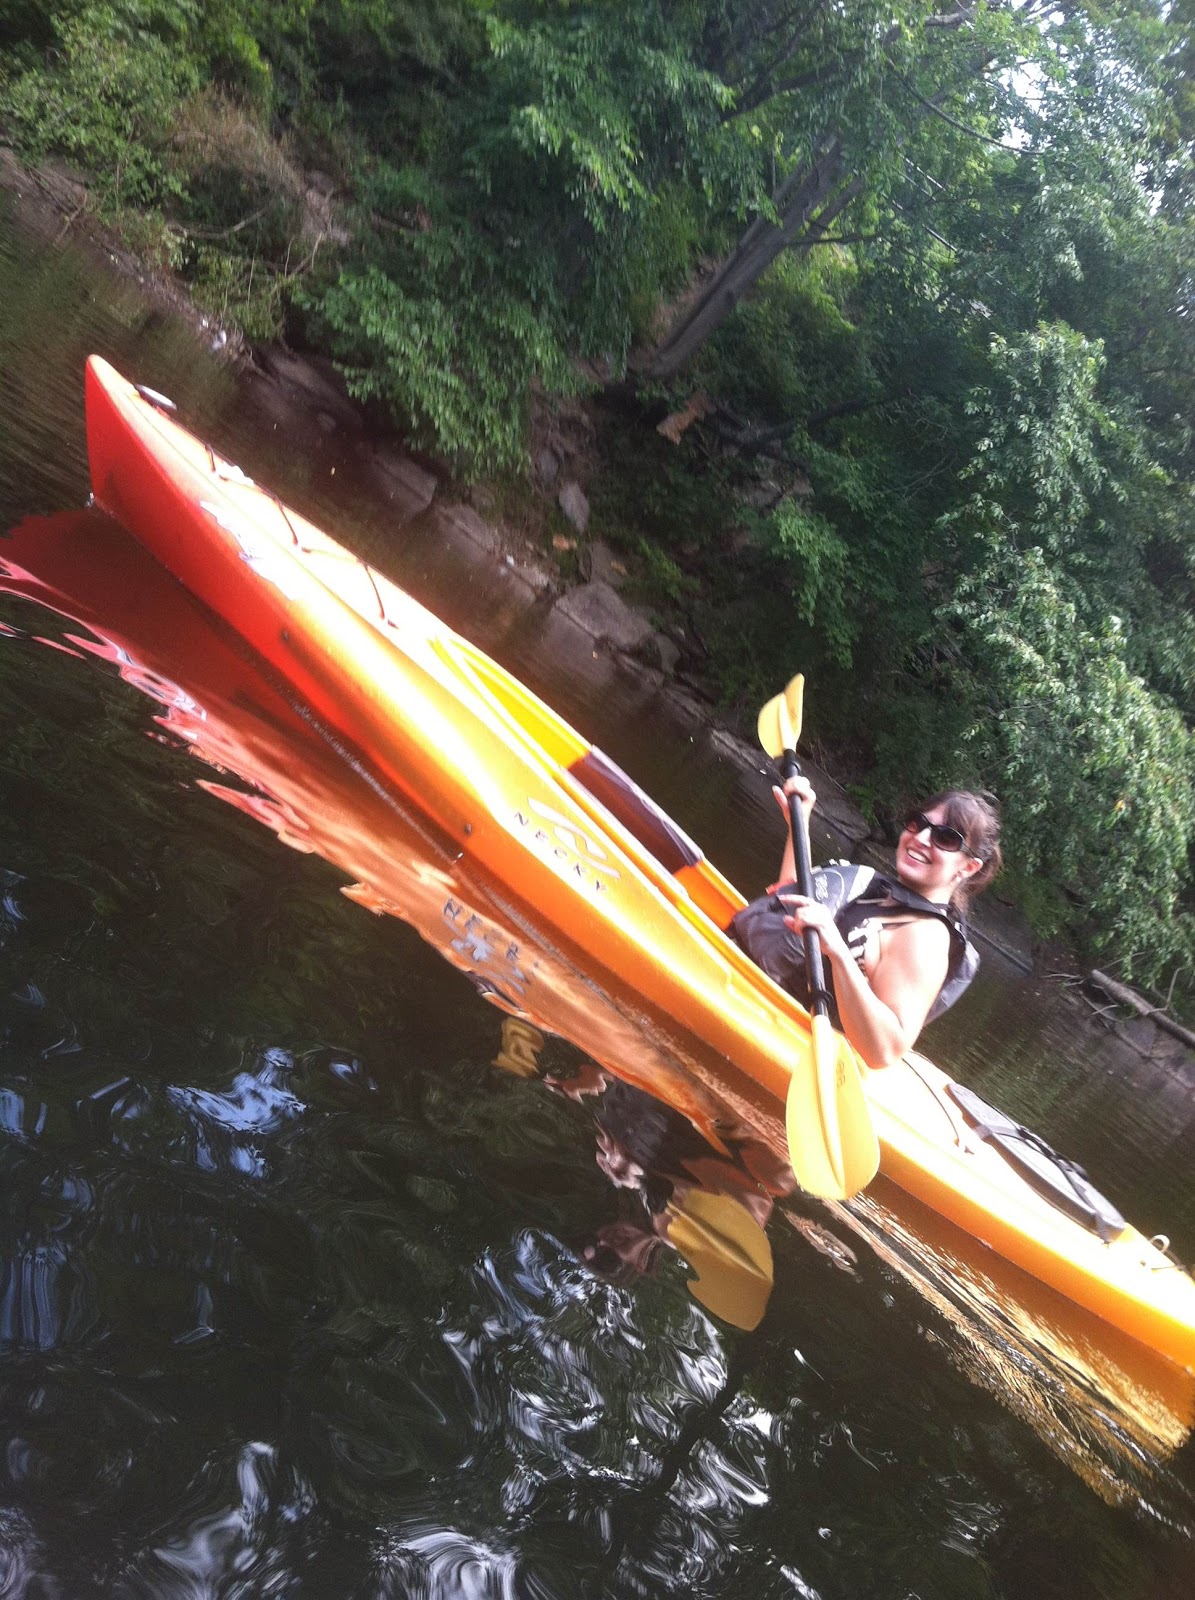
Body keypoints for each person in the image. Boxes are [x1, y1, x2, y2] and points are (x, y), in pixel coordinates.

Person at [731, 778, 1002, 1071]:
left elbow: (884, 1050)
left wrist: (837, 951)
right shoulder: (875, 891)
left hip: (775, 1031)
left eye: (946, 838)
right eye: (917, 823)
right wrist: (799, 824)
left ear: (968, 866)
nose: (921, 838)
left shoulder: (924, 935)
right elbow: (789, 914)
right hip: (745, 981)